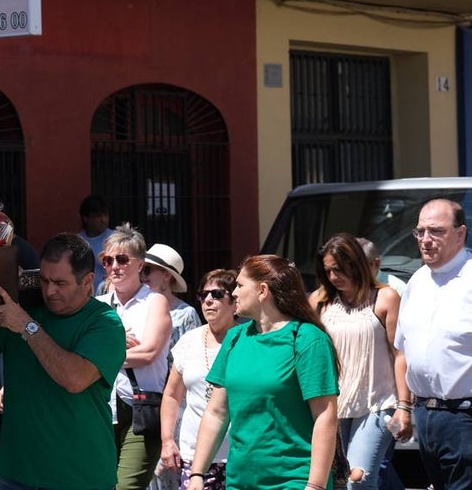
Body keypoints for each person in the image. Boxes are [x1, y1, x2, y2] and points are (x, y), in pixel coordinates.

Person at [0, 233, 127, 490]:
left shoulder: (105, 323)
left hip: (80, 479)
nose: (49, 291)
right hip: (16, 476)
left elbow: (74, 379)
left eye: (60, 283)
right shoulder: (24, 310)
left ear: (88, 281)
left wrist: (27, 327)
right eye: (44, 280)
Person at [188, 255, 339, 490]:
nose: (234, 293)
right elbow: (216, 412)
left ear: (262, 291)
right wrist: (197, 474)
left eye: (240, 285)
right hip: (240, 482)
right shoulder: (235, 337)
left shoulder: (307, 339)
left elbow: (325, 415)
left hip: (295, 481)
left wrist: (316, 485)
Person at [310, 233, 411, 490]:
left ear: (355, 263)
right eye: (328, 270)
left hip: (377, 403)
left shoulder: (385, 297)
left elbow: (399, 354)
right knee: (337, 482)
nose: (334, 276)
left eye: (339, 269)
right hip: (333, 404)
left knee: (359, 480)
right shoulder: (320, 301)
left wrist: (404, 406)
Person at [393, 198, 472, 490]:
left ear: (460, 234)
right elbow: (402, 350)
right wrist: (404, 407)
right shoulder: (417, 282)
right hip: (425, 415)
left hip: (464, 415)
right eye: (420, 231)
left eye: (436, 231)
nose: (426, 240)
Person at [98, 226, 173, 490]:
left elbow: (148, 352)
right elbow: (80, 352)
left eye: (122, 259)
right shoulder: (98, 305)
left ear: (140, 264)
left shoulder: (155, 302)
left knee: (126, 486)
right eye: (107, 260)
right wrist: (120, 345)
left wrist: (104, 353)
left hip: (140, 410)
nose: (114, 267)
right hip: (102, 408)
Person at [159, 269, 238, 490]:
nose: (208, 300)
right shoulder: (190, 341)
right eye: (204, 295)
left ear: (235, 303)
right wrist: (167, 440)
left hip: (239, 456)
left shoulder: (248, 340)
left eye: (217, 294)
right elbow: (172, 395)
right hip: (195, 457)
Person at [144, 243, 202, 350]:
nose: (142, 275)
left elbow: (194, 353)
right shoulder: (136, 306)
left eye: (147, 270)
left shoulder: (186, 314)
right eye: (140, 270)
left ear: (166, 276)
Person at [76, 195, 115, 293]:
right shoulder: (76, 243)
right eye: (98, 216)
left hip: (108, 295)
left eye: (105, 215)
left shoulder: (115, 239)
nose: (103, 220)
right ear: (85, 217)